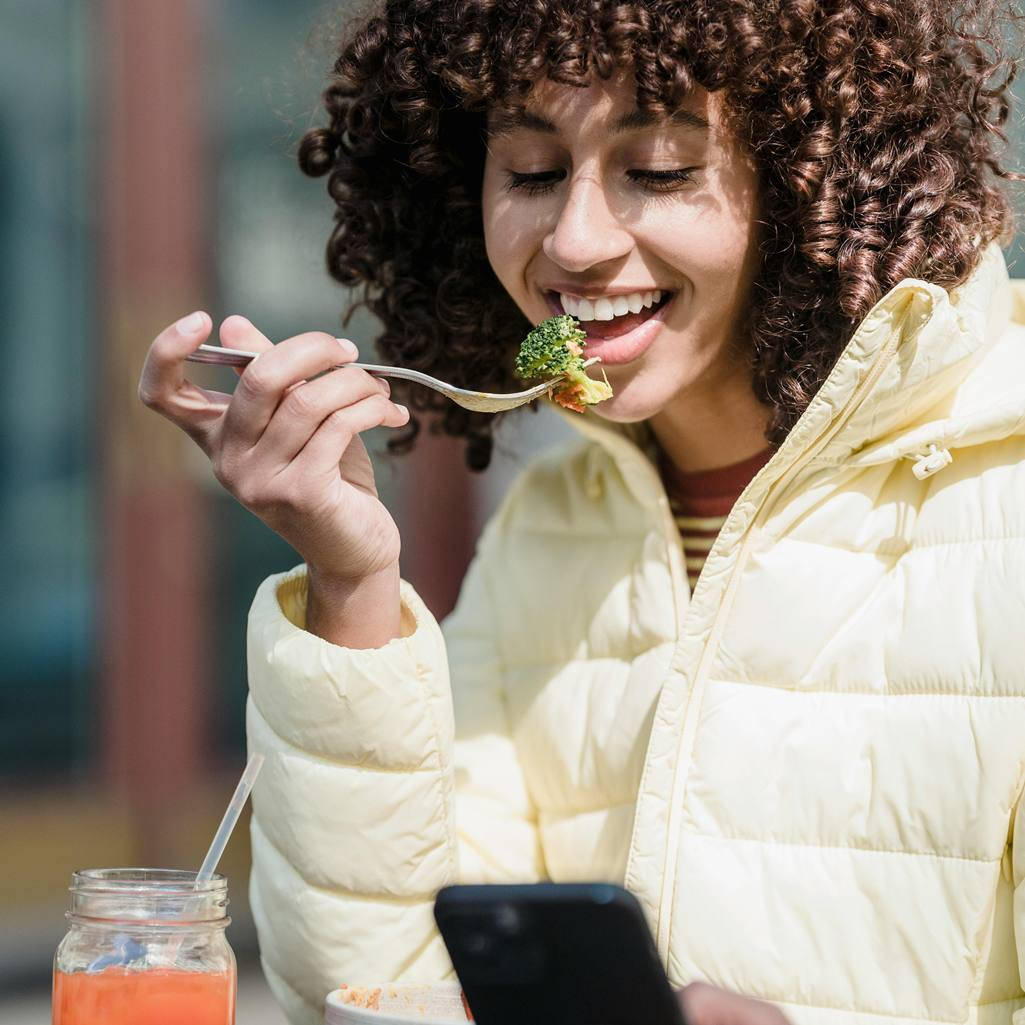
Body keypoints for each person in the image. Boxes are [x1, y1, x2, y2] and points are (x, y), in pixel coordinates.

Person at [139, 1, 1025, 1023]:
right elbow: (383, 991)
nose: (575, 239)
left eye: (658, 170)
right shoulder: (552, 524)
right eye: (530, 172)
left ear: (809, 178)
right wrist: (350, 584)